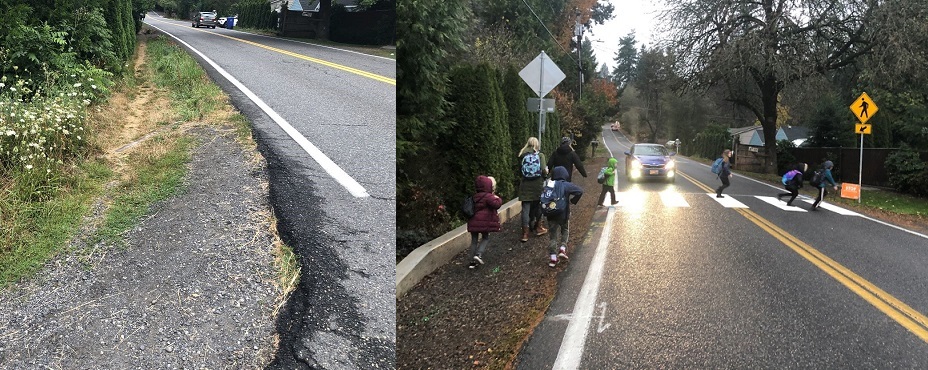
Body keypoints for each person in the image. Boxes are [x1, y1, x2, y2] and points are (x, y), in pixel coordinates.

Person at [545, 166, 583, 268]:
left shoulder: (549, 185)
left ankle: (553, 258)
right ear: (565, 175)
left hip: (551, 214)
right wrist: (573, 201)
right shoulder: (566, 185)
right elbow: (580, 191)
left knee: (553, 236)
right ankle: (562, 248)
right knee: (565, 230)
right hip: (563, 214)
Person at [466, 175, 502, 269]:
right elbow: (497, 204)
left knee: (474, 241)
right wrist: (497, 198)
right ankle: (478, 254)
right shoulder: (488, 197)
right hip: (484, 222)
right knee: (485, 238)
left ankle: (471, 262)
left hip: (473, 222)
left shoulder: (474, 197)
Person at [517, 137, 548, 242]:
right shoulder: (540, 155)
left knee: (525, 209)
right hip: (537, 185)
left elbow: (519, 171)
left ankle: (525, 233)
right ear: (536, 144)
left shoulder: (522, 155)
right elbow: (544, 170)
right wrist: (546, 173)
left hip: (525, 184)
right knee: (539, 205)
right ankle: (539, 227)